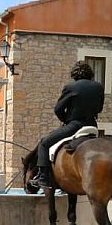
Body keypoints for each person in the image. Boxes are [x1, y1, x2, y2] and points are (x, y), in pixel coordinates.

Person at [29, 61, 104, 189]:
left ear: (74, 75)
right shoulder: (98, 87)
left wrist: (66, 120)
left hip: (74, 125)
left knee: (44, 143)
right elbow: (99, 109)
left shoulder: (70, 87)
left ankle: (43, 178)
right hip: (93, 125)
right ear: (90, 74)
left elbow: (58, 109)